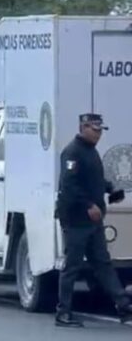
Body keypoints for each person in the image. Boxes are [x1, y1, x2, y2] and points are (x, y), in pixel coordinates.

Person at [55, 113, 132, 327]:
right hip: (76, 220)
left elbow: (95, 179)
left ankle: (123, 306)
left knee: (103, 264)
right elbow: (69, 186)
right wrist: (88, 205)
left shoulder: (91, 152)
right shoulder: (72, 152)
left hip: (93, 221)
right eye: (95, 130)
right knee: (72, 266)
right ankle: (63, 312)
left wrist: (111, 190)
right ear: (83, 127)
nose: (99, 134)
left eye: (100, 130)